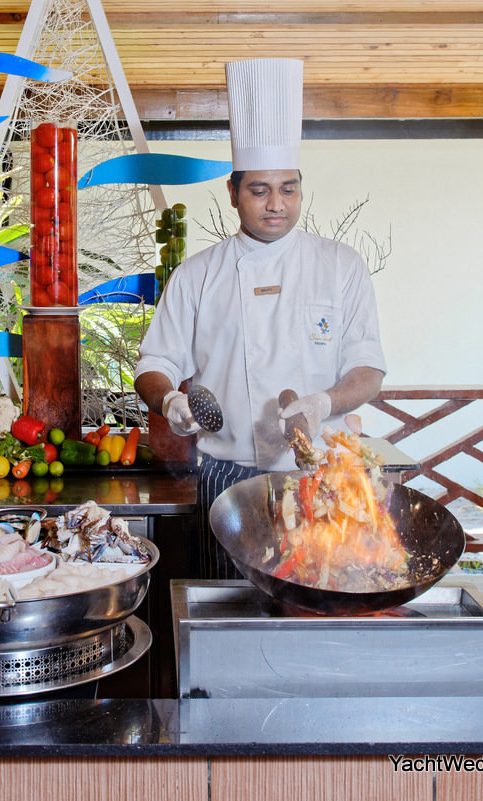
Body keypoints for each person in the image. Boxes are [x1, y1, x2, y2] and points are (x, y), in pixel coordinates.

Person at [133, 59, 387, 579]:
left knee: (319, 598)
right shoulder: (197, 275)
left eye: (288, 189)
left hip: (320, 474)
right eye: (259, 190)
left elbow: (368, 368)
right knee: (226, 605)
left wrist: (324, 402)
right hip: (226, 478)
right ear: (233, 193)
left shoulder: (341, 266)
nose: (277, 204)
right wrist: (170, 400)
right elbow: (153, 364)